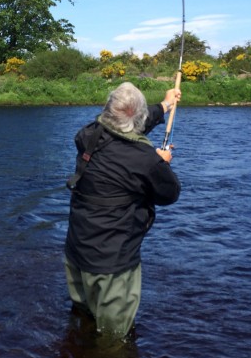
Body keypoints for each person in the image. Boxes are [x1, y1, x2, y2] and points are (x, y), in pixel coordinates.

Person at [64, 82, 181, 338]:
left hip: (76, 250)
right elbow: (169, 194)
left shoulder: (87, 136)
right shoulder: (145, 160)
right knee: (113, 340)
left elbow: (126, 123)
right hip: (112, 265)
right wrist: (162, 164)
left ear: (107, 111)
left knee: (81, 320)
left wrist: (165, 104)